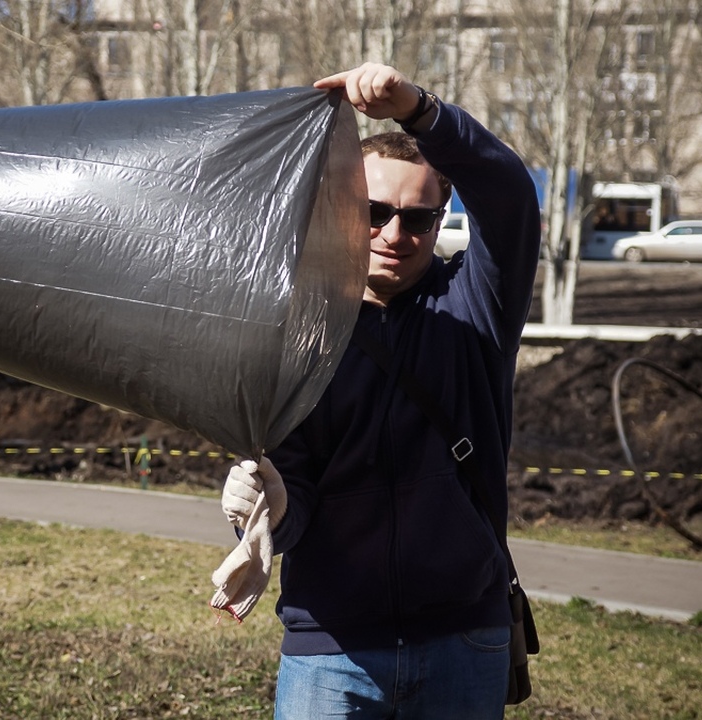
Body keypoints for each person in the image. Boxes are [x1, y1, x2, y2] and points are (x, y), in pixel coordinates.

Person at [219, 63, 542, 718]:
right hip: (331, 649)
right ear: (341, 206)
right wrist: (269, 509)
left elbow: (508, 196)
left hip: (464, 639)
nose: (397, 235)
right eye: (376, 212)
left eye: (420, 219)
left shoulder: (476, 306)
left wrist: (419, 110)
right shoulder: (295, 332)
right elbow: (298, 485)